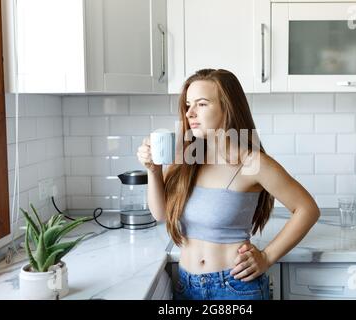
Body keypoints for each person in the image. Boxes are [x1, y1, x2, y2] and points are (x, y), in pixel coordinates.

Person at [137, 69, 320, 300]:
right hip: (186, 285)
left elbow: (307, 209)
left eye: (201, 104)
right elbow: (161, 214)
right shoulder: (185, 158)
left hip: (235, 288)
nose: (190, 113)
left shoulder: (252, 162)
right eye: (188, 105)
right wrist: (153, 171)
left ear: (227, 108)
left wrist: (267, 257)